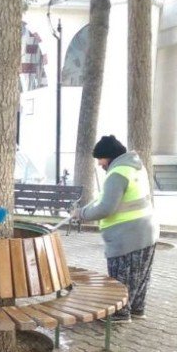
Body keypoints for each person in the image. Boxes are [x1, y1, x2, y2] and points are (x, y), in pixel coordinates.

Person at [73, 135, 159, 321]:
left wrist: (81, 215)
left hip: (127, 236)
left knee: (121, 278)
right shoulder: (135, 167)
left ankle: (119, 313)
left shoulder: (117, 173)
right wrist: (84, 209)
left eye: (100, 158)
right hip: (147, 231)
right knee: (140, 275)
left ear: (109, 156)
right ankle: (136, 309)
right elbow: (106, 200)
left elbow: (106, 208)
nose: (99, 164)